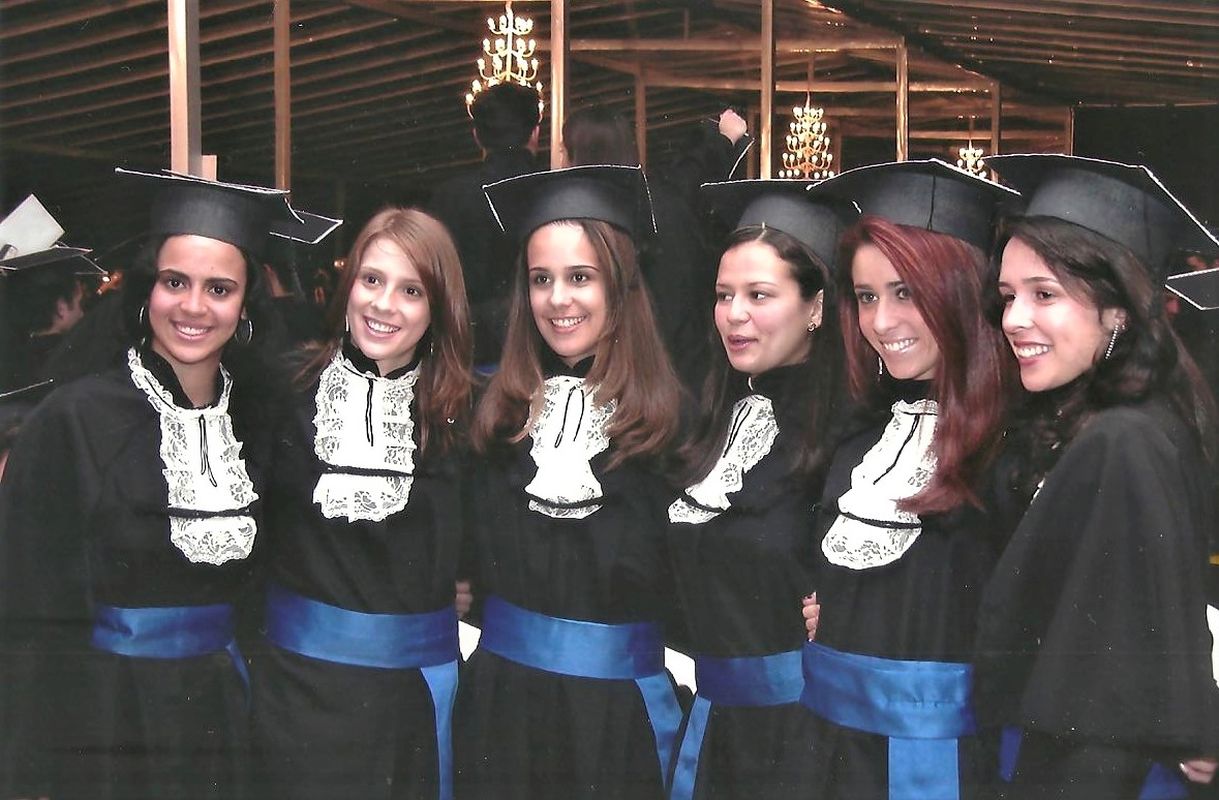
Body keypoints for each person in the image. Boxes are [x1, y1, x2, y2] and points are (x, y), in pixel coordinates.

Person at [0, 168, 294, 799]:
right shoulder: (75, 419)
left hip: (224, 713)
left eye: (219, 288)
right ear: (146, 290)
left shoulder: (263, 422)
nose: (193, 307)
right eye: (174, 282)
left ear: (246, 305)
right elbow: (25, 608)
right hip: (107, 721)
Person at [975, 154, 1219, 798]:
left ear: (1120, 309)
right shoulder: (1089, 420)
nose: (1013, 319)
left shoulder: (1124, 441)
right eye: (1008, 296)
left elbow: (1110, 687)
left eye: (1044, 294)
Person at [454, 164, 684, 799]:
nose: (558, 299)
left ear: (621, 285)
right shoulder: (493, 418)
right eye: (541, 279)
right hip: (500, 714)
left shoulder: (676, 428)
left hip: (617, 727)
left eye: (580, 277)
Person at [799, 159, 1020, 800]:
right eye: (867, 297)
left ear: (962, 293)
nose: (880, 322)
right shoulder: (861, 434)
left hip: (942, 766)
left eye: (906, 293)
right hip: (829, 751)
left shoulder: (1015, 446)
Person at [250, 207, 472, 800]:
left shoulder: (470, 414)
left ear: (438, 306)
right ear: (348, 285)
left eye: (411, 290)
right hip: (297, 696)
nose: (384, 304)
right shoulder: (282, 390)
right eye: (372, 280)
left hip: (414, 706)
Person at [664, 180, 852, 799]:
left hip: (803, 743)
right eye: (724, 295)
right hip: (715, 728)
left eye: (759, 294)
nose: (734, 314)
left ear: (816, 306)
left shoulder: (852, 436)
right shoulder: (712, 417)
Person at [561, 106, 751, 391]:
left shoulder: (580, 224)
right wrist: (724, 138)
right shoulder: (667, 199)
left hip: (617, 375)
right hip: (684, 369)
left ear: (577, 156)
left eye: (563, 151)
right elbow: (693, 170)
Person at [428, 81, 542, 369]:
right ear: (535, 133)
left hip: (466, 347)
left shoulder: (449, 196)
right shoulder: (553, 192)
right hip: (538, 344)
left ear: (477, 136)